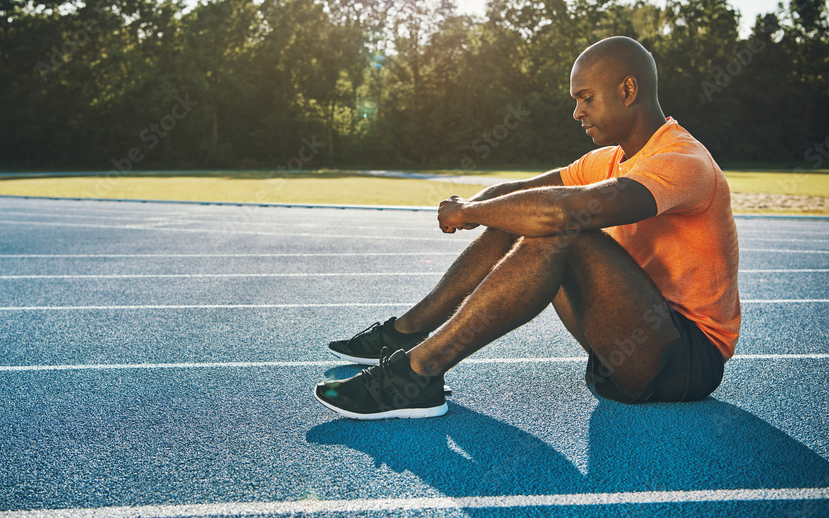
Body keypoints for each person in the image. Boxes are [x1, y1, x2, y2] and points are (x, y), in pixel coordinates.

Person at [314, 36, 741, 419]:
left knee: (561, 232)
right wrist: (475, 206)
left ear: (628, 90)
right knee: (517, 212)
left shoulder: (682, 160)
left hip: (684, 358)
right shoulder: (609, 160)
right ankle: (404, 332)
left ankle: (415, 372)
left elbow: (562, 215)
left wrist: (471, 213)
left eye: (586, 98)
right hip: (622, 340)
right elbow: (518, 191)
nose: (577, 112)